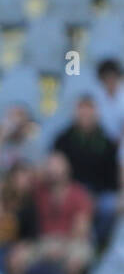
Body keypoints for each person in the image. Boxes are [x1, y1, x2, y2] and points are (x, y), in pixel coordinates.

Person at [7, 151, 95, 274]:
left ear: (67, 170)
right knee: (15, 259)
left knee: (75, 263)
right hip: (44, 242)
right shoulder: (40, 191)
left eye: (57, 167)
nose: (53, 171)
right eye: (50, 167)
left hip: (72, 242)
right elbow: (22, 181)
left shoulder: (79, 194)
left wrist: (61, 247)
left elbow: (81, 229)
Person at [51, 94, 120, 246]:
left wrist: (94, 197)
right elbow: (56, 171)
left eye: (89, 109)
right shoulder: (63, 139)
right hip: (69, 191)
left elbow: (111, 180)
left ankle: (100, 243)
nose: (86, 113)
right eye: (82, 109)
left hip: (98, 194)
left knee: (111, 205)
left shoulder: (106, 142)